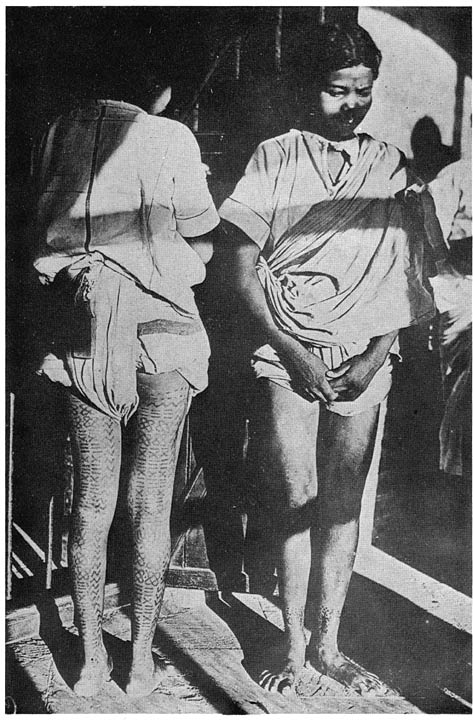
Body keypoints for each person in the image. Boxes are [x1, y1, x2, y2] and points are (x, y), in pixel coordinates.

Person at [217, 22, 436, 695]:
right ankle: (288, 648)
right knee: (293, 498)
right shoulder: (275, 157)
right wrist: (289, 350)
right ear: (305, 88)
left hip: (365, 356)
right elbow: (240, 267)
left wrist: (376, 355)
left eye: (363, 92)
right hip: (287, 352)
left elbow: (407, 272)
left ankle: (330, 645)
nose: (352, 104)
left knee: (343, 504)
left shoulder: (392, 165)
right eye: (337, 90)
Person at [31, 65, 219, 697]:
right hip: (163, 329)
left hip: (86, 329)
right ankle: (140, 660)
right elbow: (203, 231)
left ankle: (89, 662)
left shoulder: (60, 131)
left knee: (90, 503)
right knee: (151, 501)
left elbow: (43, 218)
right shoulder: (170, 135)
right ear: (161, 87)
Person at [422, 159, 472, 478]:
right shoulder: (457, 173)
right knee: (463, 393)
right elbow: (429, 229)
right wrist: (448, 272)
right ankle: (462, 480)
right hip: (464, 290)